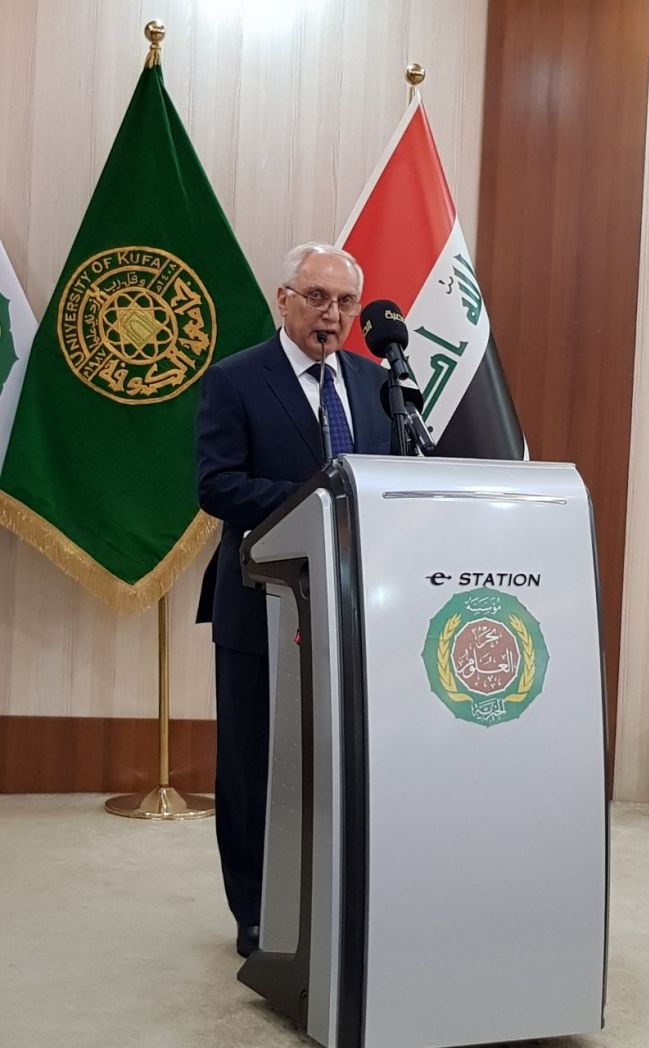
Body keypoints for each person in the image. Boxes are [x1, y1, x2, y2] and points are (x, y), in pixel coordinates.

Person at [195, 243, 390, 957]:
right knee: (254, 765)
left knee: (342, 759)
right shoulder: (236, 379)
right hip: (262, 604)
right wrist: (320, 499)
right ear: (284, 299)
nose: (330, 314)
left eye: (344, 302)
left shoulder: (377, 385)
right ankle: (254, 911)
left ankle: (339, 900)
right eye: (316, 297)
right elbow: (217, 485)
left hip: (355, 607)